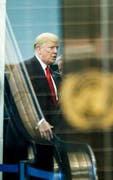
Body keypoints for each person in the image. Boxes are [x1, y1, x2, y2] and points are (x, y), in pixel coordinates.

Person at [3, 32, 64, 179]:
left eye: (57, 48)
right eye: (51, 48)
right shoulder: (24, 68)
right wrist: (39, 121)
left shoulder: (54, 72)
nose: (55, 51)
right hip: (25, 141)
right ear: (38, 49)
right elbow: (19, 100)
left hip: (47, 141)